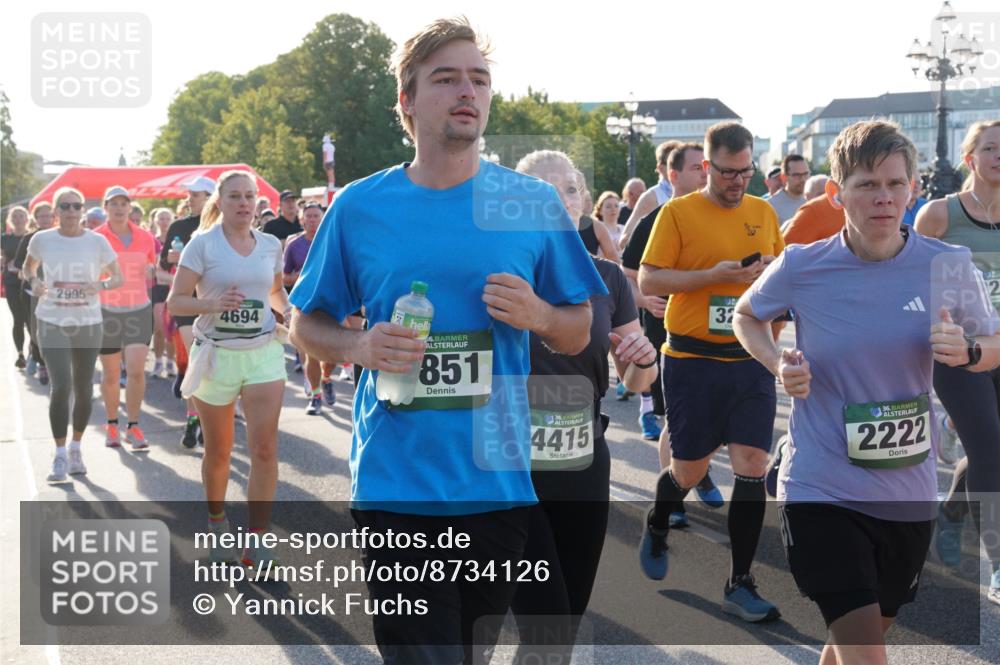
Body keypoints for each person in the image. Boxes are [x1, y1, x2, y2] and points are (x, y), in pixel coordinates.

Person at [287, 18, 605, 664]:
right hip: (396, 484)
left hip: (497, 485)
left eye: (479, 79)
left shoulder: (529, 203)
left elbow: (578, 328)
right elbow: (305, 324)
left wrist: (539, 314)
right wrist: (359, 348)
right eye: (447, 79)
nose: (468, 91)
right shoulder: (359, 207)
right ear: (407, 100)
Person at [734, 119, 1000, 663]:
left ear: (913, 189)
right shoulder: (803, 265)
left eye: (895, 183)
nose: (884, 197)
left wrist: (970, 352)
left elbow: (994, 342)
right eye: (867, 185)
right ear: (838, 193)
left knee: (860, 636)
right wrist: (776, 362)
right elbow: (746, 314)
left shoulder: (947, 265)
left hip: (906, 490)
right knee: (864, 650)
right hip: (821, 484)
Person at [509, 149, 658, 661]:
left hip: (583, 460)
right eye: (543, 191)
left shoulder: (609, 279)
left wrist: (643, 359)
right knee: (545, 625)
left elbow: (637, 380)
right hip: (510, 465)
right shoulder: (498, 272)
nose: (559, 200)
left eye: (569, 189)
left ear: (584, 202)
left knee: (564, 625)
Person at [637, 121, 784, 623]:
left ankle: (739, 582)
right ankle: (658, 520)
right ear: (706, 166)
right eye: (726, 172)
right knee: (689, 470)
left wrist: (769, 276)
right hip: (692, 360)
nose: (737, 181)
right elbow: (650, 279)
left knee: (752, 463)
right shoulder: (677, 213)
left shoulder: (763, 212)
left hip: (749, 359)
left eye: (745, 171)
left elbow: (780, 278)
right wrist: (713, 276)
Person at [167, 169, 291, 567]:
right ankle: (217, 523)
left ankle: (258, 540)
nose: (243, 203)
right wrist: (212, 305)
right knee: (219, 453)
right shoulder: (202, 245)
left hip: (263, 353)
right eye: (235, 196)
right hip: (216, 356)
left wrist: (289, 312)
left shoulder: (269, 244)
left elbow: (275, 289)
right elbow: (175, 301)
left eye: (249, 196)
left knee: (265, 449)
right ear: (220, 202)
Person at [915, 119, 1000, 605]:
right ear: (970, 158)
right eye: (990, 148)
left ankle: (950, 511)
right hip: (958, 353)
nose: (999, 155)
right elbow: (908, 275)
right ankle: (998, 564)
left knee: (990, 448)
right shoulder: (940, 215)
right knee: (989, 450)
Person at [620, 142, 723, 522]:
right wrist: (645, 300)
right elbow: (627, 276)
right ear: (673, 175)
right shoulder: (656, 219)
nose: (705, 174)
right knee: (677, 420)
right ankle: (674, 499)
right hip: (668, 335)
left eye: (707, 167)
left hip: (717, 334)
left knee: (713, 416)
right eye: (697, 168)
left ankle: (699, 470)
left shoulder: (723, 217)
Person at [20, 187, 123, 483]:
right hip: (51, 319)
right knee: (61, 386)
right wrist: (35, 282)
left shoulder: (97, 241)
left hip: (87, 322)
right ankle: (59, 454)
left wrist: (100, 285)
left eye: (76, 206)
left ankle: (76, 448)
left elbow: (118, 277)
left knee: (84, 388)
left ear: (82, 210)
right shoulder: (42, 239)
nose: (71, 211)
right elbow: (28, 268)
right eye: (64, 206)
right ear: (55, 211)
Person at [93, 186, 157, 451]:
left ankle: (133, 426)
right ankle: (112, 424)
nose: (119, 208)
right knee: (110, 374)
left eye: (124, 203)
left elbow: (151, 269)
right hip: (106, 311)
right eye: (114, 204)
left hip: (138, 310)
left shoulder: (146, 237)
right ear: (106, 207)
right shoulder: (95, 238)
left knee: (136, 370)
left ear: (130, 207)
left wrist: (153, 271)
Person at [160, 176, 214, 447]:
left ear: (211, 198)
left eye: (196, 194)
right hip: (186, 302)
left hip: (217, 303)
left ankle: (209, 416)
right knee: (197, 359)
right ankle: (195, 418)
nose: (189, 199)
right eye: (189, 194)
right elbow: (162, 265)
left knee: (215, 363)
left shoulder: (222, 227)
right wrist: (174, 261)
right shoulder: (179, 226)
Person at [282, 202, 336, 413]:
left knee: (332, 354)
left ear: (323, 219)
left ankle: (327, 377)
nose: (313, 220)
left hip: (331, 303)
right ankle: (315, 396)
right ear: (302, 220)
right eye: (309, 216)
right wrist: (296, 277)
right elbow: (283, 278)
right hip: (305, 305)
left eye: (316, 216)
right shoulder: (294, 245)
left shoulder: (332, 242)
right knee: (311, 354)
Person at [15, 201, 56, 386]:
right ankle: (41, 362)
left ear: (54, 217)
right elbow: (19, 263)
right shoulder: (30, 238)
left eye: (48, 215)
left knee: (54, 329)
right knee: (35, 328)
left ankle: (42, 357)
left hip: (57, 290)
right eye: (42, 216)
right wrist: (33, 275)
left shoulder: (61, 236)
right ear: (36, 218)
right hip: (32, 290)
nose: (45, 219)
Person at [618, 140, 681, 250]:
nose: (679, 167)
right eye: (673, 163)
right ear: (660, 168)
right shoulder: (652, 197)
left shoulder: (692, 192)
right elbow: (624, 241)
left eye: (682, 162)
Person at [149, 207, 176, 378]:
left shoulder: (178, 240)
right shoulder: (152, 241)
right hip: (158, 287)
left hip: (175, 287)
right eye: (161, 218)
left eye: (167, 218)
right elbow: (150, 267)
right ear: (155, 221)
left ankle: (170, 362)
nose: (164, 222)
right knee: (159, 327)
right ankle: (158, 361)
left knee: (171, 328)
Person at [2, 206, 31, 369]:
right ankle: (20, 354)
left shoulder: (32, 236)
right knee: (18, 319)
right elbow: (2, 256)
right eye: (14, 216)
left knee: (30, 319)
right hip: (11, 282)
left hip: (29, 281)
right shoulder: (5, 238)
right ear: (10, 220)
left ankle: (33, 351)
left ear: (27, 219)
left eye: (21, 216)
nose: (18, 219)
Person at [767, 154, 810, 226]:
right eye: (797, 175)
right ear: (783, 177)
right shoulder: (771, 206)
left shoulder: (813, 199)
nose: (803, 179)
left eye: (806, 174)